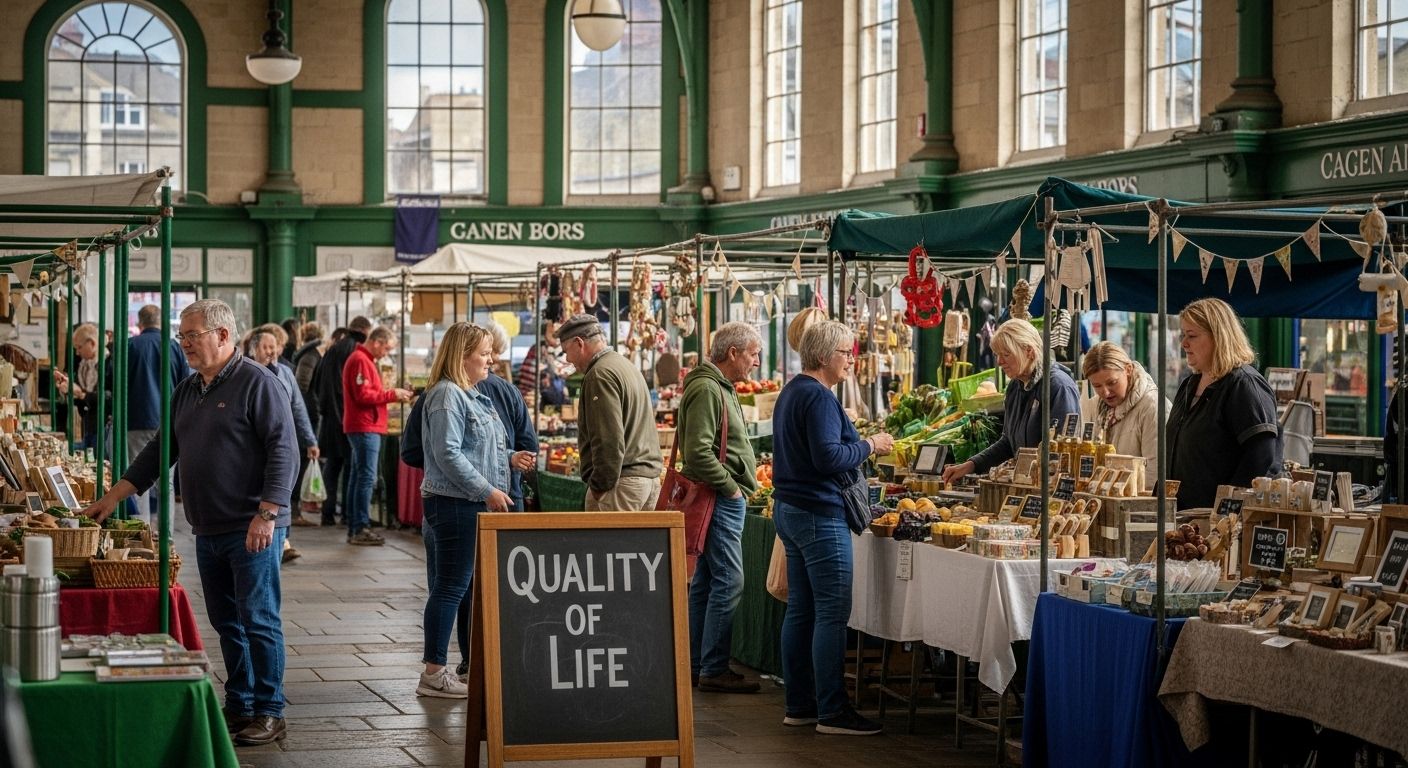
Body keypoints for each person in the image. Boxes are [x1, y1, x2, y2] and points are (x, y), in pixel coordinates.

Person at [82, 299, 297, 747]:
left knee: (258, 618)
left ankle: (271, 709)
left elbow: (283, 450)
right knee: (226, 622)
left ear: (223, 335)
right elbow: (161, 452)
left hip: (252, 525)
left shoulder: (258, 383)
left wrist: (268, 514)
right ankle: (240, 704)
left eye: (191, 336)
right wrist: (111, 499)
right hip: (209, 528)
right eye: (182, 337)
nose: (184, 345)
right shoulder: (187, 389)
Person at [770, 319, 894, 736]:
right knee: (831, 614)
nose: (852, 361)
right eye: (846, 353)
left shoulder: (791, 391)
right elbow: (828, 458)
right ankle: (833, 712)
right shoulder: (820, 398)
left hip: (790, 510)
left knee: (802, 610)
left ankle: (800, 705)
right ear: (824, 356)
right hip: (819, 515)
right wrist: (870, 445)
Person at [417, 322, 513, 698]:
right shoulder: (447, 395)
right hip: (456, 503)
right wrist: (487, 490)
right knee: (450, 587)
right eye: (483, 352)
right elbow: (448, 454)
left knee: (456, 586)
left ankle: (439, 669)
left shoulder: (469, 393)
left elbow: (476, 450)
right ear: (461, 356)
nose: (490, 359)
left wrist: (507, 459)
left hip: (465, 501)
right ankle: (434, 672)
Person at [679, 322, 761, 694]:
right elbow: (696, 451)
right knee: (729, 579)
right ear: (733, 353)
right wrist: (731, 488)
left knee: (708, 581)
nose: (757, 361)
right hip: (718, 498)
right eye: (753, 353)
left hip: (720, 497)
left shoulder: (713, 386)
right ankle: (712, 666)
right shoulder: (708, 388)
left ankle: (697, 663)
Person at [1166, 298, 1282, 509]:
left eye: (1191, 336)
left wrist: (1226, 511)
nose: (1184, 343)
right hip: (1182, 517)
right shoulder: (1188, 386)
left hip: (1217, 524)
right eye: (1183, 335)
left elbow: (1261, 456)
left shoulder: (1244, 385)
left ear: (1219, 337)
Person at [942, 319, 1081, 485]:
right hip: (1024, 485)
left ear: (1029, 351)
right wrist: (970, 465)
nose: (999, 362)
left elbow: (1062, 450)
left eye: (1006, 354)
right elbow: (1008, 443)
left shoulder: (1058, 387)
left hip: (1048, 490)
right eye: (997, 355)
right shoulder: (1015, 386)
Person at [557, 314, 662, 511]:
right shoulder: (625, 365)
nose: (567, 359)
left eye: (566, 351)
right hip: (646, 479)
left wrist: (599, 487)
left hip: (623, 483)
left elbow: (608, 440)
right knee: (640, 543)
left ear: (579, 343)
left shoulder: (599, 374)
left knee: (607, 542)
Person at [249, 325, 321, 561]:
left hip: (284, 444)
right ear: (254, 350)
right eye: (265, 347)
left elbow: (299, 409)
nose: (271, 352)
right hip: (256, 447)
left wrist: (310, 440)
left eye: (273, 347)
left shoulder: (286, 374)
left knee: (283, 491)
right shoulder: (247, 374)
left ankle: (283, 540)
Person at [342, 325, 414, 545]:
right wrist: (392, 394)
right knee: (366, 477)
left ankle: (356, 524)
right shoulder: (361, 360)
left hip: (364, 425)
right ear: (377, 342)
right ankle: (360, 526)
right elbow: (363, 395)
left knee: (358, 476)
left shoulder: (363, 360)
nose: (386, 353)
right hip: (365, 426)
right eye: (386, 348)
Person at [124, 304, 192, 520]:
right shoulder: (174, 347)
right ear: (161, 322)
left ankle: (141, 529)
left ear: (140, 323)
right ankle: (167, 536)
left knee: (137, 478)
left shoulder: (130, 346)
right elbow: (186, 383)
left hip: (136, 419)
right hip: (168, 420)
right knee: (167, 482)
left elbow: (114, 383)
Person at [1079, 341, 1169, 490]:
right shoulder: (1092, 406)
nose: (1106, 392)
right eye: (1097, 386)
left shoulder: (1153, 407)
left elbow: (1155, 475)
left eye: (1112, 382)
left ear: (1128, 369)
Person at [311, 317, 371, 526]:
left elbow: (316, 381)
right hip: (345, 416)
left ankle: (327, 513)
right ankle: (347, 513)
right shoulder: (356, 351)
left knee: (333, 466)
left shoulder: (333, 348)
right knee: (350, 467)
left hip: (329, 416)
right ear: (365, 331)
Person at [479, 323, 539, 511]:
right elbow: (530, 445)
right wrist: (511, 458)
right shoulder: (508, 391)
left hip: (462, 498)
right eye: (491, 352)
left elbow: (413, 451)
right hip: (507, 492)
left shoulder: (441, 391)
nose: (494, 359)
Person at [54, 323, 100, 450]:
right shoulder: (83, 366)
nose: (77, 352)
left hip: (102, 428)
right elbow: (83, 399)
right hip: (89, 424)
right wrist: (69, 389)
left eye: (79, 347)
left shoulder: (107, 364)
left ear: (92, 343)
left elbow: (107, 398)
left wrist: (80, 393)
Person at [291, 322, 323, 417]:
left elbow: (301, 383)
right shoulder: (313, 353)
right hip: (312, 405)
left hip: (308, 405)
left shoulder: (308, 353)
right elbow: (302, 383)